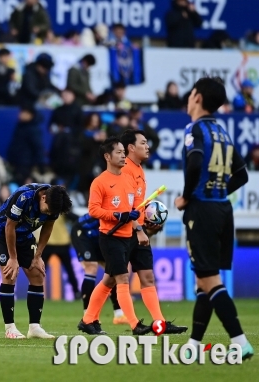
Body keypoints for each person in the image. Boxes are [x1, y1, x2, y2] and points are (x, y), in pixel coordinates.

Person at [174, 77, 253, 359]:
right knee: (203, 282)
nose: (189, 97)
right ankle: (194, 345)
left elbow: (194, 161)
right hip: (222, 209)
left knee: (209, 280)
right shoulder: (222, 132)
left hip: (203, 210)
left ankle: (240, 341)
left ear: (197, 98)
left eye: (191, 92)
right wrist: (220, 191)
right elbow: (241, 175)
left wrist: (186, 196)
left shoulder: (194, 129)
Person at [77, 136, 151, 336]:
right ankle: (135, 324)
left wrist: (134, 214)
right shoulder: (100, 182)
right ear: (107, 156)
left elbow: (132, 205)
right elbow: (93, 210)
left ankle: (87, 320)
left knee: (108, 281)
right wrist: (117, 215)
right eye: (119, 152)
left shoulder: (127, 179)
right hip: (110, 238)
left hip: (128, 237)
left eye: (123, 152)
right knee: (122, 278)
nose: (123, 156)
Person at [115, 129, 186, 333]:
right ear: (131, 147)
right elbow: (125, 207)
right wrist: (139, 229)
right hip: (123, 233)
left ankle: (160, 323)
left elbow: (137, 206)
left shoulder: (139, 169)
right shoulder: (125, 169)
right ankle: (91, 318)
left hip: (136, 229)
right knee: (113, 278)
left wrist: (148, 221)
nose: (148, 147)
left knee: (147, 277)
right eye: (143, 143)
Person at [0, 184, 72, 339]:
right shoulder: (23, 197)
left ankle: (34, 327)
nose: (48, 213)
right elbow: (10, 226)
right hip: (1, 232)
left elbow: (48, 228)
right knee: (9, 275)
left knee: (38, 275)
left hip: (25, 234)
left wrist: (38, 255)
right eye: (47, 210)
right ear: (43, 197)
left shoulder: (54, 202)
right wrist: (13, 259)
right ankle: (10, 328)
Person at [70, 213, 125, 323]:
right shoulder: (114, 204)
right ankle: (88, 316)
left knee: (114, 270)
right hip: (83, 232)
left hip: (101, 236)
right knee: (91, 267)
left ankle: (119, 315)